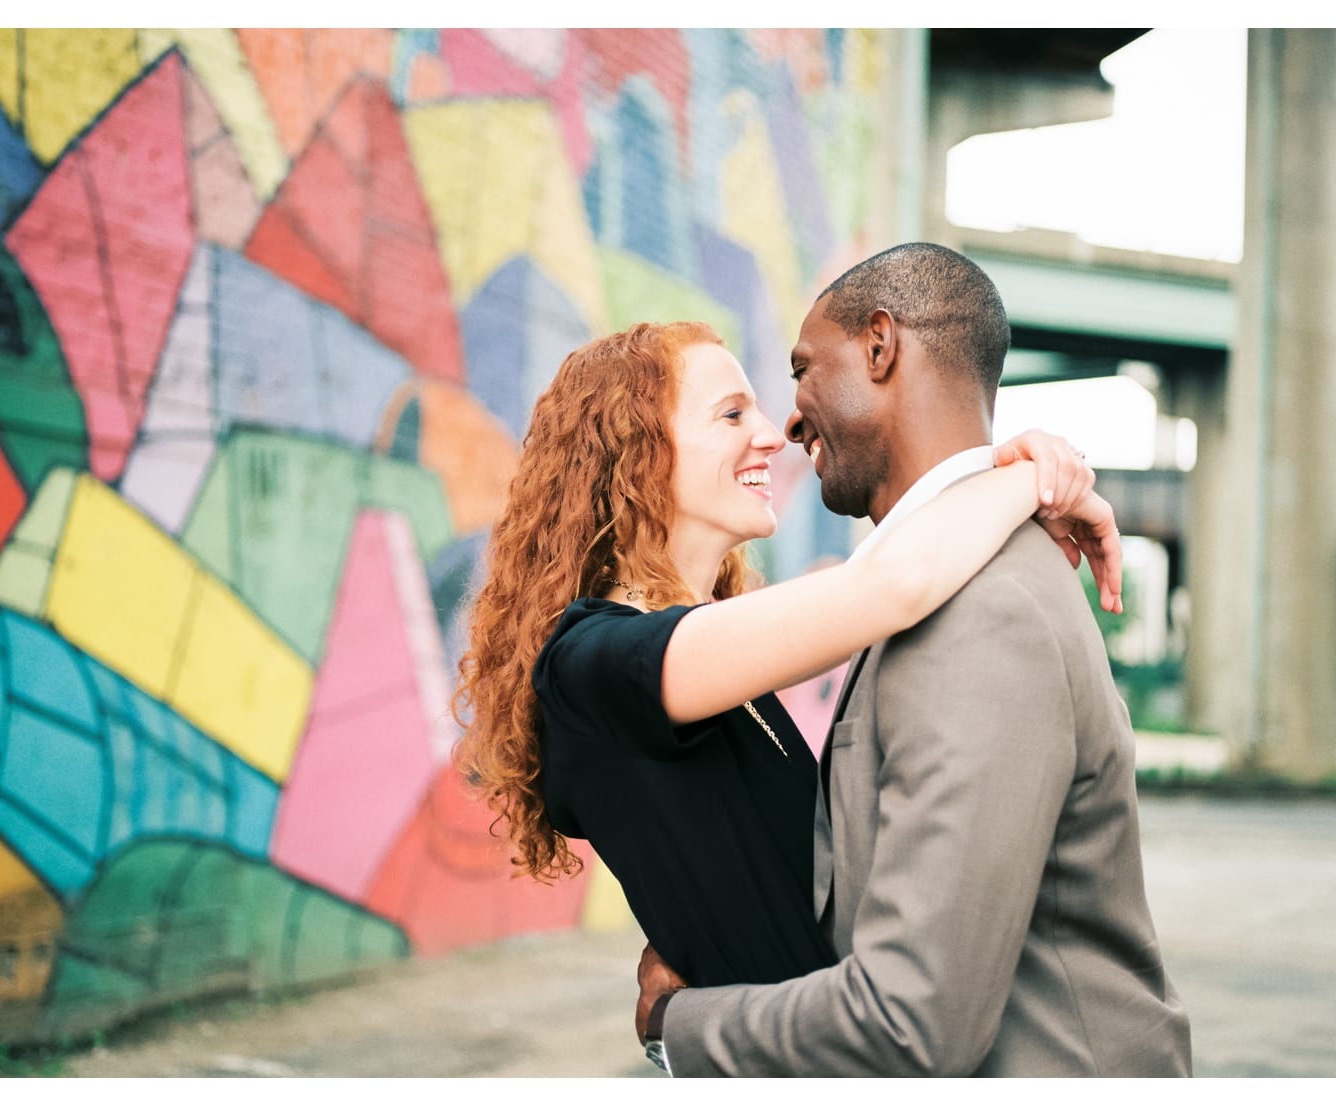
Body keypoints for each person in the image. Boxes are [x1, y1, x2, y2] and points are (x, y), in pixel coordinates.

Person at [634, 244, 1193, 1076]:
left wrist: (675, 1027)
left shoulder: (985, 610)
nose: (788, 421)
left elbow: (911, 1022)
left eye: (802, 371)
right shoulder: (936, 578)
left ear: (881, 346)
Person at [453, 317, 1119, 1005]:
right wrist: (1035, 478)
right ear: (638, 451)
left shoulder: (699, 657)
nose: (773, 435)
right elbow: (892, 586)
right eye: (732, 414)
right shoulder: (592, 663)